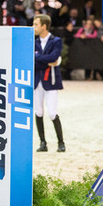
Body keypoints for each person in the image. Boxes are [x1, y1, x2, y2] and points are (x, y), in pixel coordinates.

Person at [33, 14, 65, 152]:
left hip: (50, 81)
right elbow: (42, 61)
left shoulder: (56, 40)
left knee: (52, 112)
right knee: (38, 112)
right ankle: (42, 142)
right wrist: (46, 61)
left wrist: (37, 57)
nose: (33, 27)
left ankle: (61, 142)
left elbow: (54, 57)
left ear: (44, 26)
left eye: (35, 24)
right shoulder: (33, 42)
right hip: (37, 81)